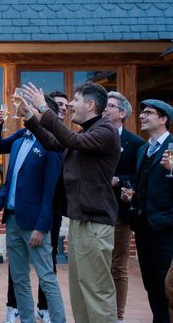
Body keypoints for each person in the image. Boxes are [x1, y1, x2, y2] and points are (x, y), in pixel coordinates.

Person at [22, 82, 120, 323]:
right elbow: (55, 142)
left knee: (96, 289)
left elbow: (69, 140)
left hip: (95, 222)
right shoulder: (87, 132)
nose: (71, 105)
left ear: (90, 104)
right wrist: (30, 118)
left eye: (75, 100)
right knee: (79, 289)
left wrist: (44, 109)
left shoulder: (105, 131)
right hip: (80, 219)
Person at [0, 96, 65, 323]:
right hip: (12, 220)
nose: (23, 109)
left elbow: (51, 191)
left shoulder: (51, 144)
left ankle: (59, 320)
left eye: (29, 107)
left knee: (46, 277)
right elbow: (9, 179)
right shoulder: (21, 137)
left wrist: (42, 227)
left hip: (35, 224)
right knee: (19, 278)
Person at [128, 99, 173, 323]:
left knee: (167, 282)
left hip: (165, 227)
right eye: (142, 112)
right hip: (143, 226)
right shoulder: (143, 150)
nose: (142, 116)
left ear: (163, 119)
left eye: (149, 113)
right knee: (150, 281)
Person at [102, 91, 144, 322]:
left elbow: (141, 178)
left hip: (119, 212)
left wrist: (120, 180)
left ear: (122, 113)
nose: (105, 109)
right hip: (96, 211)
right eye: (104, 105)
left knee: (117, 266)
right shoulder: (95, 136)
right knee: (99, 266)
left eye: (110, 106)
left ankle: (117, 315)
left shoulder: (136, 143)